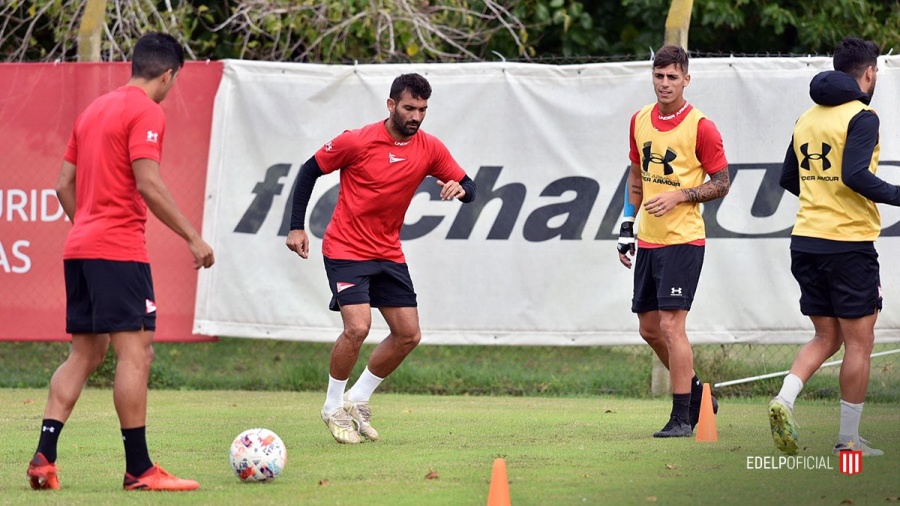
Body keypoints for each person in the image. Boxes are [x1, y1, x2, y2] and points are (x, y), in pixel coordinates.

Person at [27, 32, 215, 491]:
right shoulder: (147, 111)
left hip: (82, 248)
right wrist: (193, 237)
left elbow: (61, 185)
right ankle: (139, 470)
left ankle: (43, 458)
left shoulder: (93, 110)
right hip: (118, 250)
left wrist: (85, 225)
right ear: (168, 74)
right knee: (138, 353)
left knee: (86, 352)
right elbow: (148, 183)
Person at [285, 73, 476, 444]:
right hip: (345, 248)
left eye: (423, 109)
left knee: (409, 334)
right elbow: (309, 170)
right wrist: (296, 227)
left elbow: (469, 185)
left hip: (388, 251)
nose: (416, 116)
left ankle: (358, 398)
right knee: (357, 328)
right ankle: (332, 406)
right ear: (391, 105)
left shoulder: (429, 147)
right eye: (409, 108)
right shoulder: (356, 140)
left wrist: (461, 190)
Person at [769, 37, 897, 457]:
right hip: (847, 245)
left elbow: (789, 177)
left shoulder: (807, 117)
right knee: (860, 343)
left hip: (806, 240)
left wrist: (818, 200)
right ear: (870, 72)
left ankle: (784, 399)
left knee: (826, 336)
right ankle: (848, 441)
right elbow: (855, 175)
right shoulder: (863, 115)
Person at [618, 44, 729, 438]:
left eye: (672, 77)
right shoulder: (639, 120)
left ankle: (682, 417)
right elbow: (636, 178)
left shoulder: (701, 126)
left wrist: (681, 194)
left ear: (686, 79)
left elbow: (722, 183)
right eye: (659, 76)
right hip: (648, 240)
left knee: (670, 325)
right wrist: (627, 225)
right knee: (648, 328)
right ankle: (699, 394)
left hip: (684, 240)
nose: (665, 84)